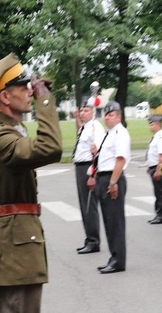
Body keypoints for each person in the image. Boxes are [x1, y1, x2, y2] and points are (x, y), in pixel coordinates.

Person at [0, 53, 63, 313]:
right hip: (14, 253)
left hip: (12, 249)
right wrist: (45, 100)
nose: (30, 92)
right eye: (23, 88)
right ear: (5, 97)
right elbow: (50, 148)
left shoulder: (8, 132)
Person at [90, 101, 130, 273]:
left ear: (119, 116)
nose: (107, 117)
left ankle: (118, 261)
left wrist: (113, 182)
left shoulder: (120, 133)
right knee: (109, 221)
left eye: (111, 114)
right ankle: (114, 256)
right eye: (106, 114)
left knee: (115, 222)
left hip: (112, 179)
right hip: (103, 178)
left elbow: (120, 159)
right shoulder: (110, 133)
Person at [72, 96, 105, 254]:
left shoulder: (95, 127)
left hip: (87, 167)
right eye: (81, 110)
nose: (83, 113)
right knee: (84, 205)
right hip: (80, 167)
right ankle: (89, 238)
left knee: (89, 206)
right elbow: (80, 136)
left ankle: (94, 241)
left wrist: (93, 174)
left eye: (86, 110)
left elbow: (97, 152)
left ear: (93, 112)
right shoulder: (85, 127)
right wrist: (76, 119)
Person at [145, 115, 162, 224]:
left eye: (152, 124)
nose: (150, 127)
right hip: (154, 167)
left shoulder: (161, 137)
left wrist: (159, 170)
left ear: (158, 124)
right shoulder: (156, 136)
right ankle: (158, 214)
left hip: (158, 167)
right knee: (157, 192)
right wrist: (149, 166)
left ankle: (161, 215)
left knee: (160, 192)